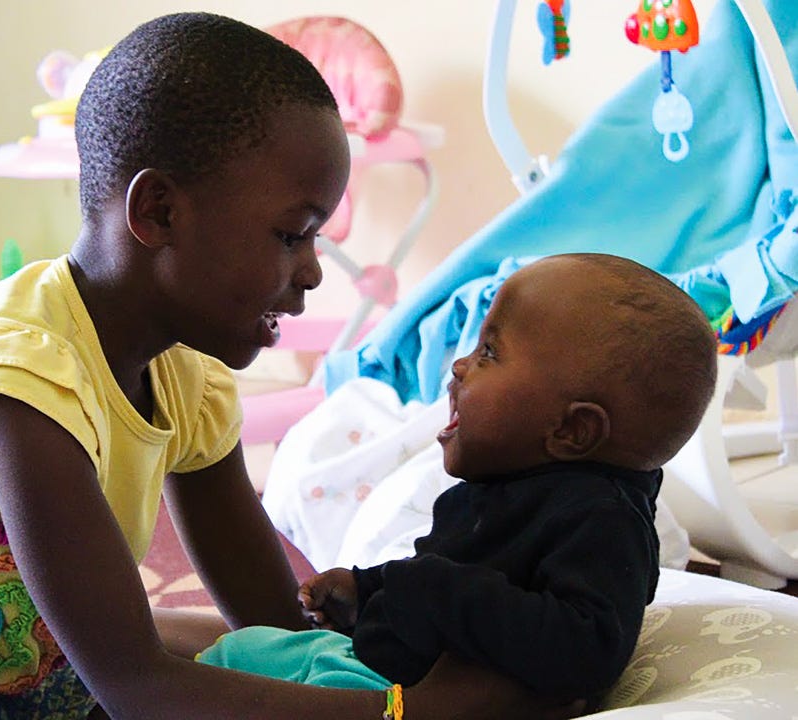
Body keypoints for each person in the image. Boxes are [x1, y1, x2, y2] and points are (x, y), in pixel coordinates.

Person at [0, 11, 586, 720]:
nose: (315, 272)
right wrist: (416, 713)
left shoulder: (185, 374)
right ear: (159, 212)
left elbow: (274, 625)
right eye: (292, 234)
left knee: (232, 652)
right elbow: (139, 691)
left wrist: (413, 656)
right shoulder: (24, 386)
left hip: (29, 667)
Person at [197, 252, 720, 710]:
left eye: (490, 352)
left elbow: (586, 649)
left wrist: (434, 592)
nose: (461, 365)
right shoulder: (508, 481)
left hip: (412, 693)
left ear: (571, 430)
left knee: (247, 692)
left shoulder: (601, 521)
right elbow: (439, 572)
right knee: (240, 653)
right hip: (380, 659)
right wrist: (367, 587)